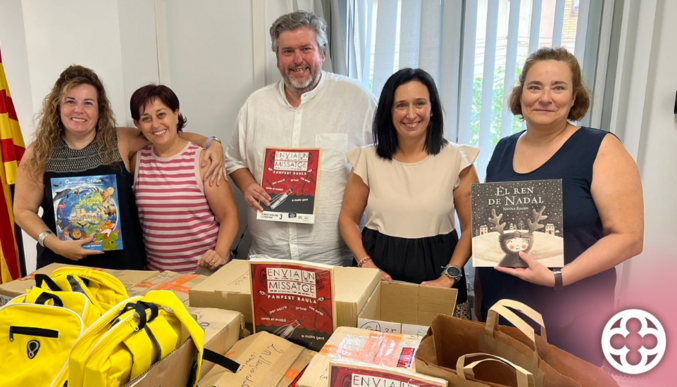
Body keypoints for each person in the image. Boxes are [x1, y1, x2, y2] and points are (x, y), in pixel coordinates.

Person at [475, 47, 644, 365]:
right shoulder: (502, 148)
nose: (545, 97)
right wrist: (481, 300)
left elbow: (629, 237)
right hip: (507, 312)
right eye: (535, 86)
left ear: (574, 96)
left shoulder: (601, 148)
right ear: (520, 93)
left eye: (558, 87)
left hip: (573, 319)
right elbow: (492, 236)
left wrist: (558, 277)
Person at [14, 65, 225, 270]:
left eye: (88, 103)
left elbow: (165, 135)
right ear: (57, 106)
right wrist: (54, 243)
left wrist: (211, 143)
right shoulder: (39, 151)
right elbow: (23, 210)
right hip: (61, 266)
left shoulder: (120, 140)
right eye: (70, 101)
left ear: (100, 110)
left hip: (125, 269)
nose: (79, 109)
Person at [225, 11, 377, 266]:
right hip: (266, 254)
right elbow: (234, 159)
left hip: (335, 257)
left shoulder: (358, 100)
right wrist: (247, 185)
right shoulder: (256, 104)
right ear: (277, 59)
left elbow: (385, 162)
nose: (297, 60)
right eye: (287, 51)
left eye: (306, 49)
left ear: (322, 53)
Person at [339, 68, 479, 318]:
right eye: (401, 105)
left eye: (420, 104)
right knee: (372, 351)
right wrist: (365, 265)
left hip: (440, 274)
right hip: (376, 273)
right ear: (388, 112)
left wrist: (449, 277)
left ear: (432, 108)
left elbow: (472, 227)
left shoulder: (458, 159)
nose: (411, 114)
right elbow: (347, 219)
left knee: (440, 353)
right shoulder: (367, 159)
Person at [130, 84, 239, 273]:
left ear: (175, 113)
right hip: (157, 277)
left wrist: (220, 254)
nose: (156, 125)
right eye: (146, 119)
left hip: (203, 274)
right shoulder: (137, 161)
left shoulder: (203, 160)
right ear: (137, 124)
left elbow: (229, 216)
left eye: (161, 114)